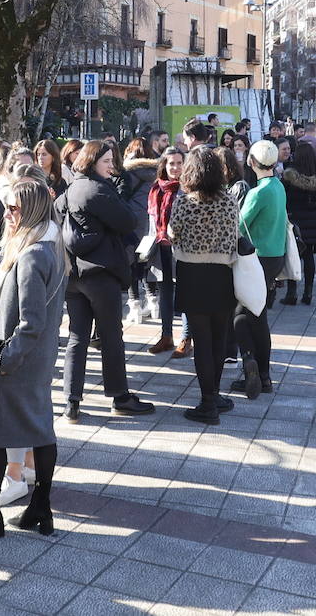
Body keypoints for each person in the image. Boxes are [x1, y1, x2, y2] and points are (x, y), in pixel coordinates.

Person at [0, 179, 67, 539]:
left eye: (13, 208)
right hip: (38, 357)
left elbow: (30, 321)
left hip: (16, 358)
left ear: (30, 210)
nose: (6, 214)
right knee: (40, 426)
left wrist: (5, 359)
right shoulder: (50, 242)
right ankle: (40, 508)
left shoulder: (31, 254)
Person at [55, 141, 155, 420]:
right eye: (107, 161)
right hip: (100, 273)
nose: (112, 166)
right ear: (91, 162)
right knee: (111, 335)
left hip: (73, 275)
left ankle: (71, 402)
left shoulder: (70, 189)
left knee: (77, 337)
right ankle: (119, 397)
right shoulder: (98, 189)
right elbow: (126, 222)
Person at [167, 147, 240, 425]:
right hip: (222, 273)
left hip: (192, 274)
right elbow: (235, 235)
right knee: (219, 340)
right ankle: (216, 395)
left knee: (202, 340)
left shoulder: (185, 202)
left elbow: (174, 233)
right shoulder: (229, 201)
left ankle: (207, 402)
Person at [232, 141, 286, 399]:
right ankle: (263, 375)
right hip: (275, 257)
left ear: (251, 162)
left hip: (256, 260)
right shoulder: (277, 186)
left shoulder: (258, 193)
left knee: (243, 314)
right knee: (258, 314)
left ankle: (251, 362)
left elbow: (238, 227)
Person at [281, 143, 316, 306]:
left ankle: (292, 294)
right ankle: (308, 293)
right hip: (312, 218)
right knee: (309, 256)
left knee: (292, 256)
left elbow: (283, 194)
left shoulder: (290, 173)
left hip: (294, 218)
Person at [145, 148, 184, 355]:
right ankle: (166, 335)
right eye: (171, 163)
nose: (176, 167)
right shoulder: (155, 189)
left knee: (186, 293)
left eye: (179, 163)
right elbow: (151, 220)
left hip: (182, 248)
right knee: (165, 292)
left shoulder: (188, 188)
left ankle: (186, 339)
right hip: (160, 246)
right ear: (164, 165)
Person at [122, 138, 160, 323]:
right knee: (147, 262)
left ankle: (134, 305)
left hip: (131, 223)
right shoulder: (158, 172)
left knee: (131, 264)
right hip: (151, 223)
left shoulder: (127, 173)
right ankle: (153, 302)